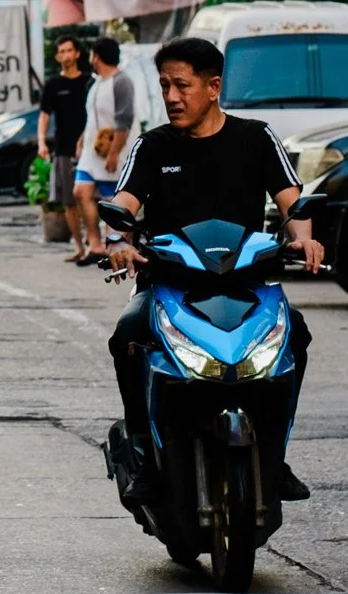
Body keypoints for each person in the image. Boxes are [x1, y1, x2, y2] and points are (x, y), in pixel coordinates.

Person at [105, 36, 321, 503]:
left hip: (247, 285)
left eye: (182, 85)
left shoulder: (256, 137)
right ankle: (142, 452)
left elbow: (292, 201)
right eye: (165, 85)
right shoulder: (152, 146)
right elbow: (124, 204)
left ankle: (275, 456)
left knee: (297, 335)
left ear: (213, 87)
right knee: (126, 337)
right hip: (169, 285)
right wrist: (118, 240)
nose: (172, 97)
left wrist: (303, 236)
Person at [74, 37, 138, 256]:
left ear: (97, 56)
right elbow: (92, 118)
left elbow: (124, 120)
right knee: (80, 191)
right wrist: (81, 141)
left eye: (92, 54)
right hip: (92, 151)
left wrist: (114, 153)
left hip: (114, 151)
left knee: (114, 202)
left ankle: (119, 246)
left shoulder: (122, 81)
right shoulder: (96, 83)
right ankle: (95, 243)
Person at [39, 36, 93, 261]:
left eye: (69, 50)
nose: (66, 55)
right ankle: (79, 247)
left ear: (77, 53)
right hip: (63, 148)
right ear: (57, 56)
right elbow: (44, 115)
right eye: (61, 52)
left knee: (90, 197)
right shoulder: (53, 84)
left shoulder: (89, 82)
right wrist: (41, 141)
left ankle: (93, 241)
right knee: (69, 201)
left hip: (90, 149)